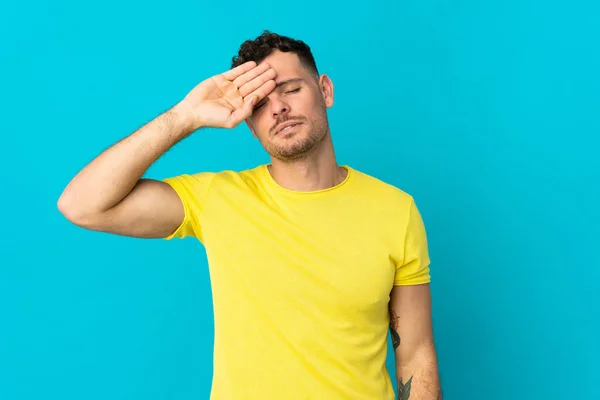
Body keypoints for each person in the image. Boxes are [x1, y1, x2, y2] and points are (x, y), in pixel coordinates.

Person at [58, 30, 442, 400]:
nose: (278, 107)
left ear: (325, 90)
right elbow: (82, 205)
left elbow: (416, 351)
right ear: (248, 124)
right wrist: (187, 115)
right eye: (258, 103)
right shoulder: (217, 198)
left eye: (292, 89)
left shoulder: (395, 209)